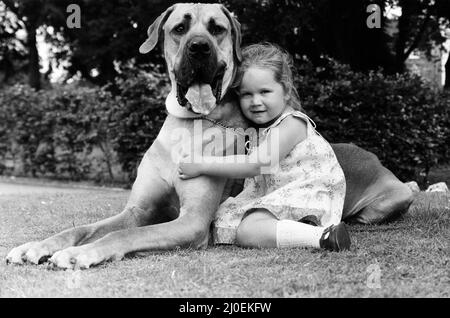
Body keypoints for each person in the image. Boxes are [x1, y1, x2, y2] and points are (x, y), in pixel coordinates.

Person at [178, 43, 350, 252]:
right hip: (280, 194)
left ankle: (322, 236)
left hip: (307, 191)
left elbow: (257, 164)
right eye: (246, 94)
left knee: (248, 231)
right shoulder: (261, 130)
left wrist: (201, 165)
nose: (255, 101)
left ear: (286, 91)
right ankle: (301, 231)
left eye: (265, 91)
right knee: (228, 220)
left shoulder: (292, 123)